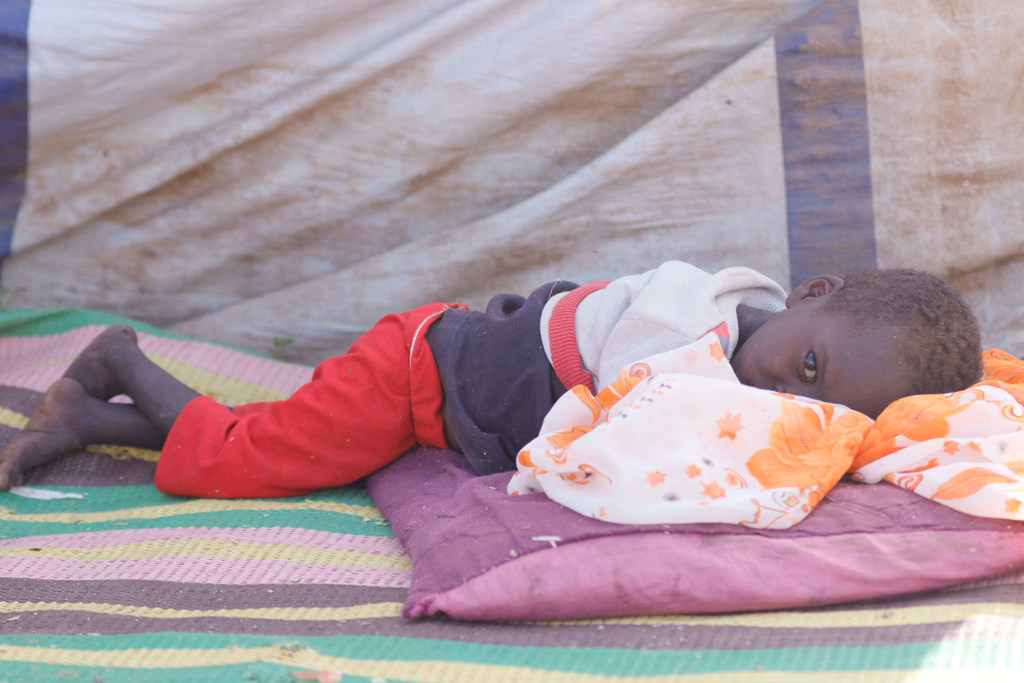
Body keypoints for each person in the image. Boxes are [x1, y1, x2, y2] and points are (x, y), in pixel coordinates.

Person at [0, 261, 983, 498]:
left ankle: (89, 412)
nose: (790, 401)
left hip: (440, 390)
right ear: (808, 293)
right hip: (412, 377)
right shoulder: (686, 326)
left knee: (284, 435)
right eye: (806, 366)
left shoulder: (747, 343)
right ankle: (119, 361)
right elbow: (638, 441)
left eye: (822, 408)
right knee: (249, 458)